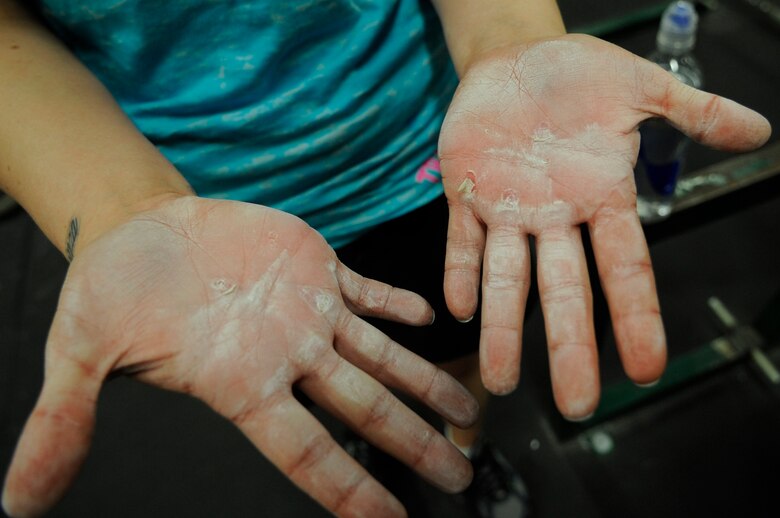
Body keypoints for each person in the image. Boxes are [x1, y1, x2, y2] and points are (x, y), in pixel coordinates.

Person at [0, 1, 771, 517]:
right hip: (216, 213)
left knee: (463, 344)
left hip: (443, 147)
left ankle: (472, 451)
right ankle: (371, 436)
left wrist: (511, 39)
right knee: (317, 369)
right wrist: (118, 206)